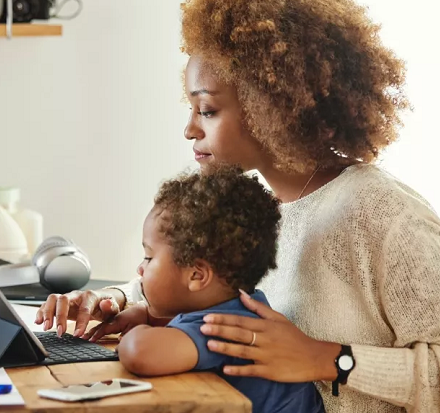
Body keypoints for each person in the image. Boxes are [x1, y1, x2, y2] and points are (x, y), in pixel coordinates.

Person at [35, 0, 440, 412]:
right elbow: (208, 287)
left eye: (207, 110)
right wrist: (122, 301)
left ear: (274, 105)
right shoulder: (263, 207)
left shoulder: (382, 214)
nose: (189, 130)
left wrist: (330, 359)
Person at [109, 165, 323, 413]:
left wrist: (134, 336)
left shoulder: (227, 327)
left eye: (148, 257)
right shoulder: (245, 306)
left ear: (196, 275)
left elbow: (140, 352)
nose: (140, 269)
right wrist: (147, 316)